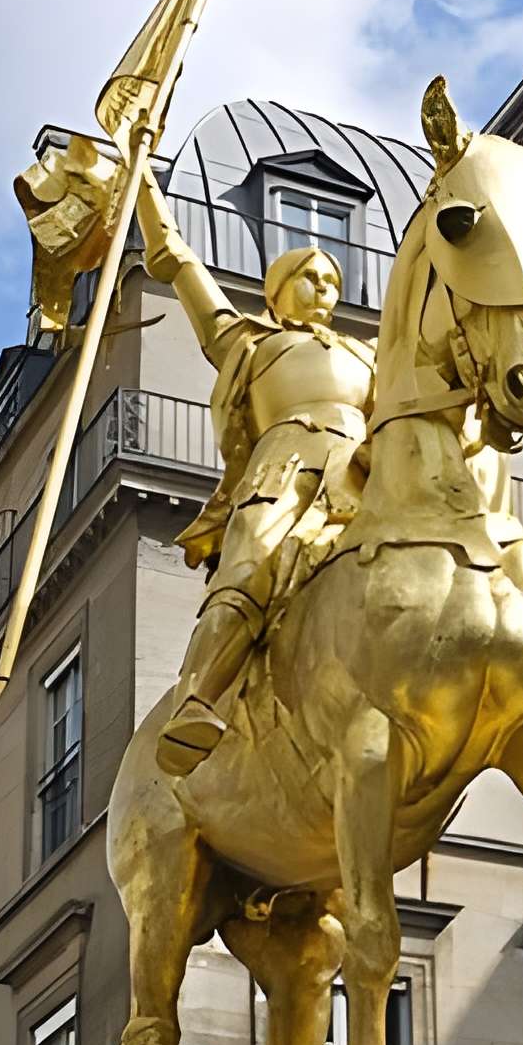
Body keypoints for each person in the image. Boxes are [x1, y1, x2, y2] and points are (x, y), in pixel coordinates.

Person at [135, 165, 375, 775]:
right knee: (248, 569)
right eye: (309, 277)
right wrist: (142, 184)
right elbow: (177, 261)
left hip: (365, 469)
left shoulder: (366, 354)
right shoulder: (248, 342)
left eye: (331, 280)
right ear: (278, 287)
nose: (323, 288)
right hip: (285, 464)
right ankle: (199, 696)